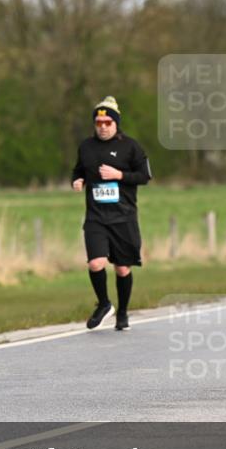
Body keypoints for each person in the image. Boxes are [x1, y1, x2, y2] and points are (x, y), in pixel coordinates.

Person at [71, 97, 151, 330]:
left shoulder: (131, 147)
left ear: (115, 123)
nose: (103, 126)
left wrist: (119, 175)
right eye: (99, 122)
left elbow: (145, 176)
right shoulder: (86, 147)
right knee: (96, 263)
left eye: (107, 122)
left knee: (122, 268)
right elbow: (78, 170)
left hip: (123, 217)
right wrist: (77, 181)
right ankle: (104, 304)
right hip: (96, 217)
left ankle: (123, 313)